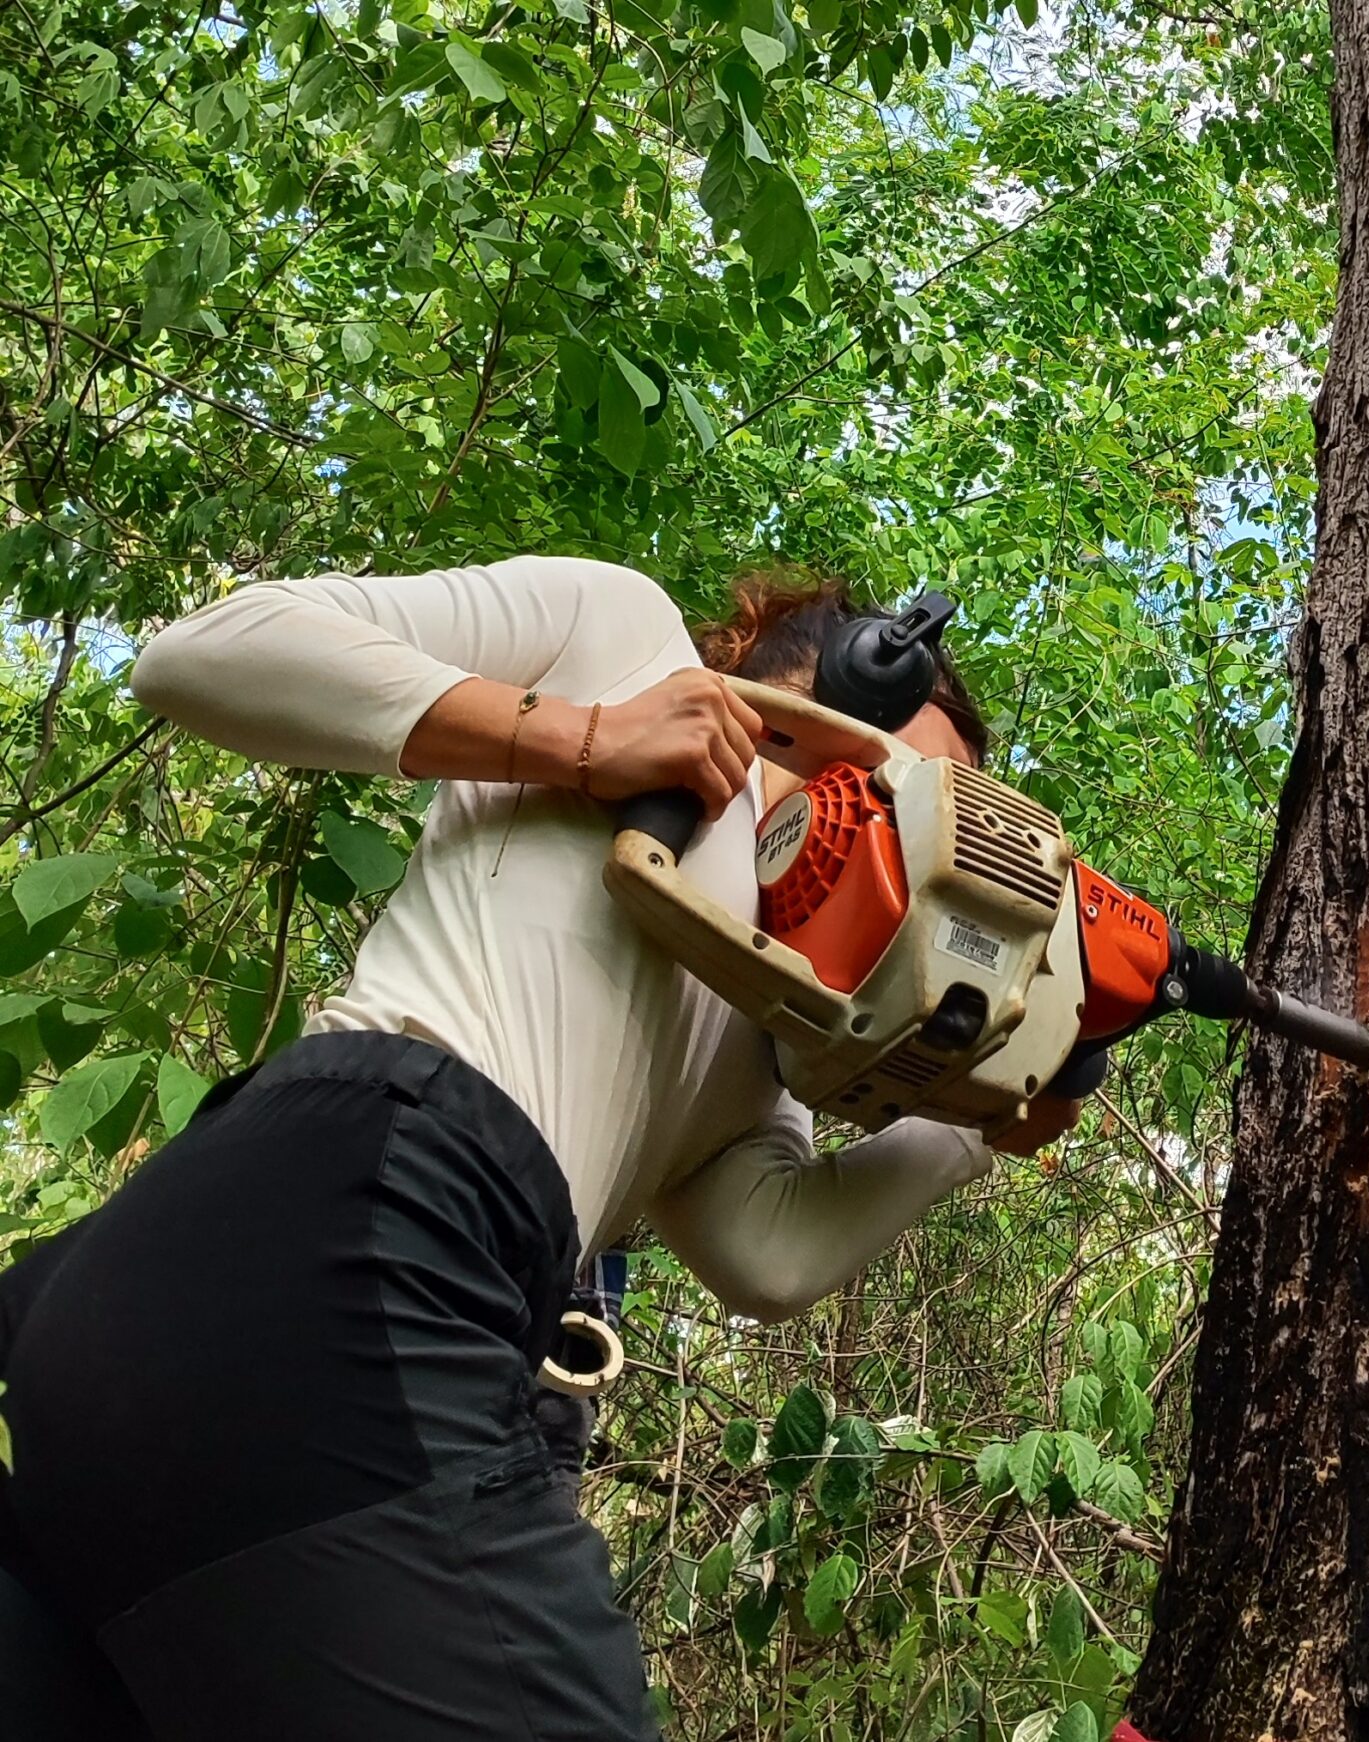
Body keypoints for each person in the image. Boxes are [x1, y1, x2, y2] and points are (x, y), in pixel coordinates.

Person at [0, 556, 998, 1741]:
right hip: (359, 1224)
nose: (920, 845)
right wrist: (582, 737)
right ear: (835, 676)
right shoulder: (619, 635)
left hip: (165, 1343)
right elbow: (206, 653)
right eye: (905, 787)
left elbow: (763, 1252)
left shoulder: (770, 1021)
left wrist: (983, 1112)